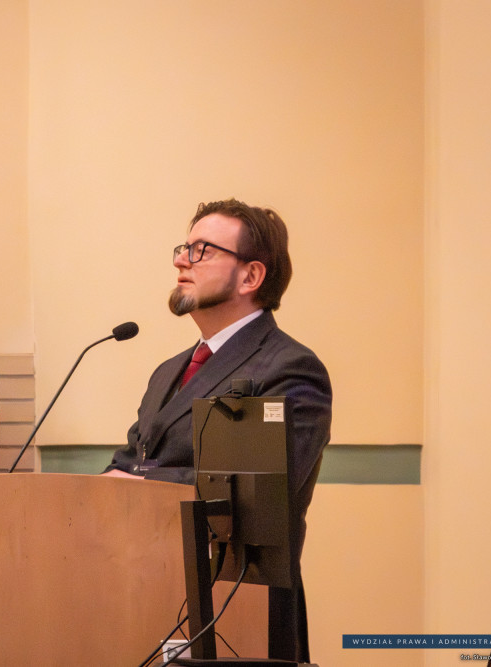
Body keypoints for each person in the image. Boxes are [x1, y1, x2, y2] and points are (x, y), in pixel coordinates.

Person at [103, 198, 332, 662]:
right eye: (183, 248)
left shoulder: (291, 368)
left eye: (202, 250)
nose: (181, 261)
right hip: (145, 592)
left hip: (240, 604)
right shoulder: (168, 371)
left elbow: (257, 491)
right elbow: (129, 463)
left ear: (250, 276)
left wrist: (139, 487)